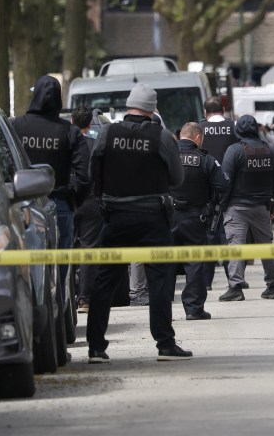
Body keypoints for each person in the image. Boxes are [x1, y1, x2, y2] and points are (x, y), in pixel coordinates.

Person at [87, 83, 192, 363]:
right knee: (159, 281)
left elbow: (92, 168)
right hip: (152, 217)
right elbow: (177, 178)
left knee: (104, 282)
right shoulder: (162, 137)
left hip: (115, 216)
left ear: (129, 105)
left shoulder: (108, 132)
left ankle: (96, 347)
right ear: (152, 109)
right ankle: (165, 344)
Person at [13, 76, 91, 313]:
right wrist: (73, 198)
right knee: (59, 270)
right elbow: (84, 175)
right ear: (59, 99)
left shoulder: (15, 126)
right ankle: (57, 316)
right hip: (59, 205)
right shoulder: (71, 132)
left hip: (20, 206)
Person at [217, 114, 274, 302]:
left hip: (237, 207)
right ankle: (273, 286)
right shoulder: (269, 150)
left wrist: (221, 206)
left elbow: (225, 181)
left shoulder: (234, 150)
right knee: (266, 248)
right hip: (262, 207)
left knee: (236, 248)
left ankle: (236, 287)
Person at [170, 122, 223, 320]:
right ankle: (193, 309)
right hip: (195, 217)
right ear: (198, 138)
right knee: (194, 263)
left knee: (165, 261)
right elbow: (223, 183)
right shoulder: (206, 160)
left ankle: (163, 307)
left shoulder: (167, 157)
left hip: (168, 216)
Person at [200, 96, 239, 291]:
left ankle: (206, 282)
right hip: (229, 188)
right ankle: (233, 278)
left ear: (205, 112)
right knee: (227, 233)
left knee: (208, 235)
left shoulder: (199, 128)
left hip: (204, 189)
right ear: (222, 110)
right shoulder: (233, 127)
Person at [70, 106, 100, 314]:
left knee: (65, 248)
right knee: (89, 250)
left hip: (68, 201)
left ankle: (66, 294)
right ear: (90, 124)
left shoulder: (66, 144)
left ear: (72, 121)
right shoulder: (95, 145)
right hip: (91, 201)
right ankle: (85, 299)